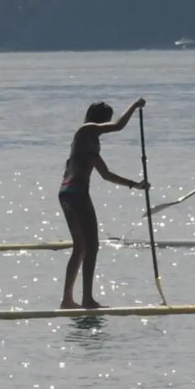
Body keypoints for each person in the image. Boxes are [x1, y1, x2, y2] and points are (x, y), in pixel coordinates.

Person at [58, 99, 149, 309]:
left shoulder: (89, 142)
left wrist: (135, 185)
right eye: (105, 121)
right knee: (92, 246)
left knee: (80, 246)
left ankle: (67, 300)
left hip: (66, 193)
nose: (106, 126)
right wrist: (135, 106)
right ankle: (87, 299)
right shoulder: (85, 130)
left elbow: (106, 174)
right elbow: (118, 126)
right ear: (99, 119)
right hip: (76, 193)